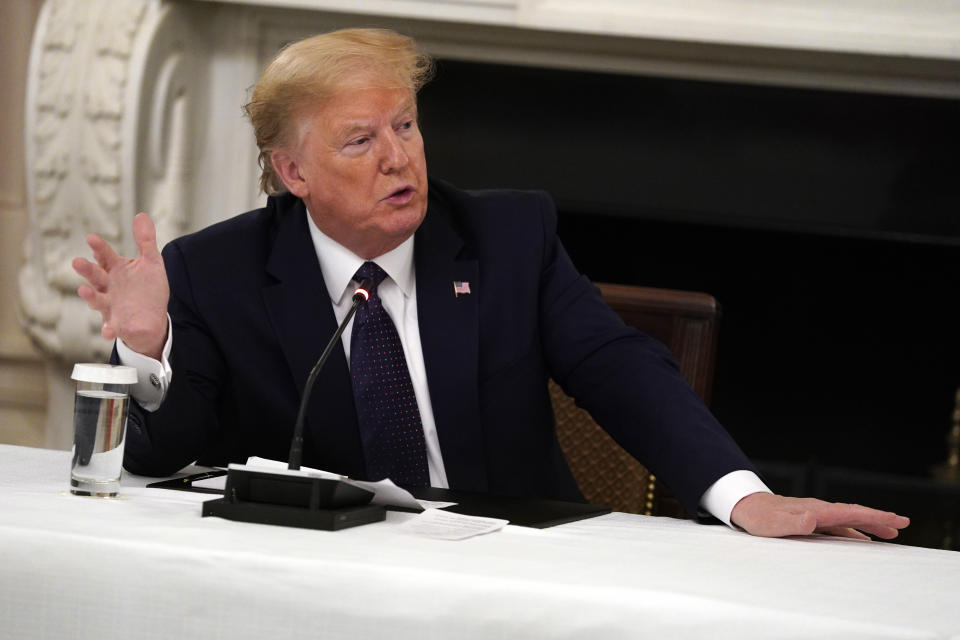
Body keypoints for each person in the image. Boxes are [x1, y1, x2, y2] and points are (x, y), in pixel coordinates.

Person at [72, 28, 908, 540]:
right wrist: (146, 350)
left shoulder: (507, 237)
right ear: (292, 170)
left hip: (520, 572)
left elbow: (622, 369)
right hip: (327, 588)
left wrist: (744, 497)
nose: (400, 156)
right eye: (361, 141)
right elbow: (161, 457)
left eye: (405, 125)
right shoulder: (216, 272)